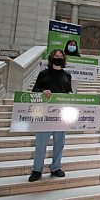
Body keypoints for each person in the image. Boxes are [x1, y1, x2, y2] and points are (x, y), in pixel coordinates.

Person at [28, 49, 72, 182]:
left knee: (60, 142)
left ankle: (56, 167)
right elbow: (35, 90)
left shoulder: (67, 75)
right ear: (51, 58)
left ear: (63, 59)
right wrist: (43, 91)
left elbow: (69, 90)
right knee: (41, 143)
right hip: (44, 115)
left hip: (61, 115)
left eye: (60, 56)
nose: (58, 57)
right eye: (55, 56)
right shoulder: (43, 74)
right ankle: (37, 169)